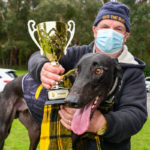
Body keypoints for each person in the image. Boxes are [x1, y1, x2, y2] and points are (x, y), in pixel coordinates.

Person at [28, 1, 147, 150]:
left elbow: (136, 114)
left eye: (118, 29)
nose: (111, 32)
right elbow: (38, 56)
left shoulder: (133, 71)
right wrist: (42, 68)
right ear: (95, 31)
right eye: (105, 27)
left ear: (125, 36)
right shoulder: (78, 54)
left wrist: (103, 123)